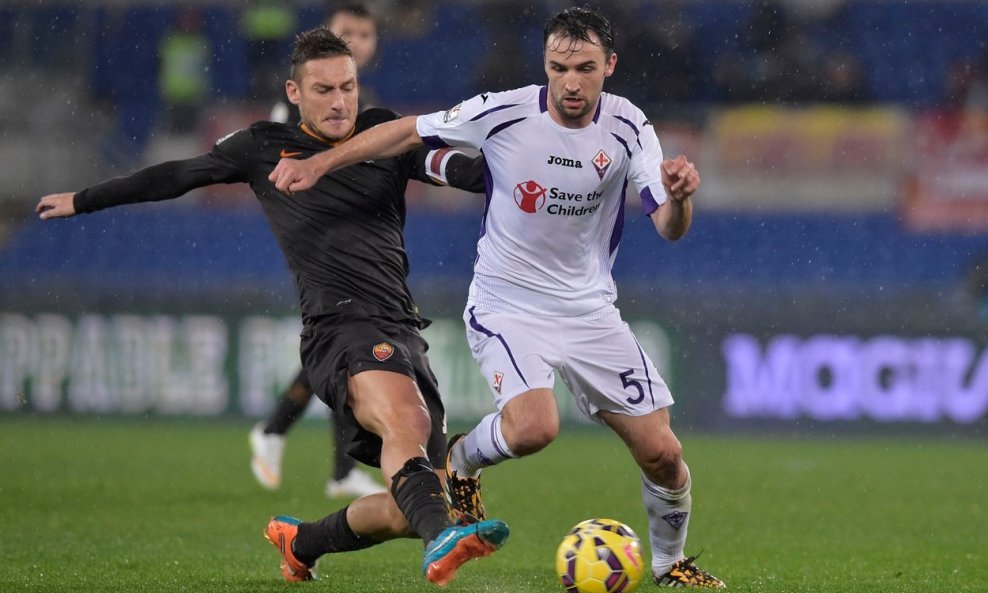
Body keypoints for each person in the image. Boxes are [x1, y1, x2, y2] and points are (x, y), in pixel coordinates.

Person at [268, 6, 724, 588]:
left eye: (585, 68)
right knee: (535, 427)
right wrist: (324, 162)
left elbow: (668, 225)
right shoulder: (503, 111)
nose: (572, 82)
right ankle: (460, 461)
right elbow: (408, 130)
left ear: (609, 65)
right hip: (507, 303)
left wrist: (681, 197)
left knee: (663, 452)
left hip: (589, 310)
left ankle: (668, 565)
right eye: (559, 67)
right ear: (545, 64)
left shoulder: (630, 126)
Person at [35, 26, 508, 586]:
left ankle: (303, 541)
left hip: (402, 328)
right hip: (338, 328)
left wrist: (528, 166)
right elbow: (179, 176)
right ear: (294, 91)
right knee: (407, 422)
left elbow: (457, 169)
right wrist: (85, 200)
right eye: (324, 89)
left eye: (347, 88)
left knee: (412, 503)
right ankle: (441, 543)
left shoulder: (382, 134)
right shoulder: (263, 147)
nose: (339, 101)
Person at [254, 2, 385, 500]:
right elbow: (278, 159)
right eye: (346, 32)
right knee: (344, 343)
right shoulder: (298, 104)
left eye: (365, 34)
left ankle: (329, 464)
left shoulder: (357, 100)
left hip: (350, 240)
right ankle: (282, 436)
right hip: (317, 241)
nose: (356, 41)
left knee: (345, 347)